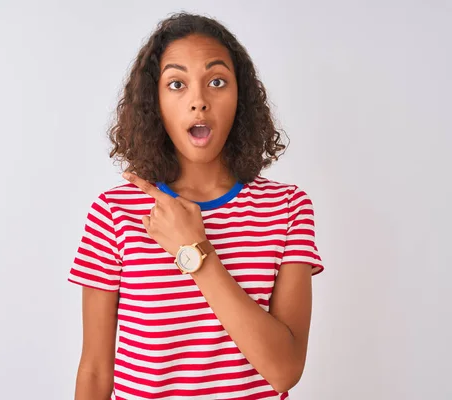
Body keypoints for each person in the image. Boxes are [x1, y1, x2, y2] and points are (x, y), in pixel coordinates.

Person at [68, 12, 325, 400]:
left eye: (217, 82)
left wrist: (194, 251)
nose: (199, 102)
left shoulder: (287, 208)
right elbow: (95, 369)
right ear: (155, 103)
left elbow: (285, 370)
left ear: (241, 97)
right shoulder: (114, 212)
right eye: (176, 84)